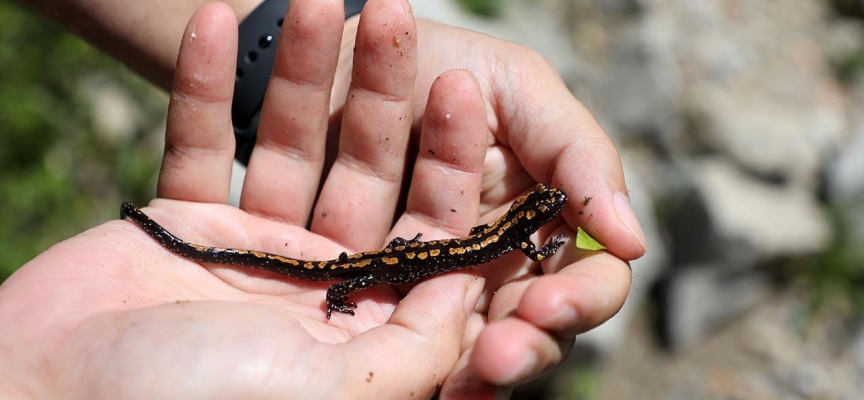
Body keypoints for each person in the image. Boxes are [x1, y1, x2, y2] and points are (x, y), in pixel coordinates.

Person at [0, 0, 646, 398]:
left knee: (342, 270)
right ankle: (298, 279)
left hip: (400, 259)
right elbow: (532, 251)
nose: (547, 205)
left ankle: (188, 242)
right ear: (529, 214)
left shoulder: (511, 233)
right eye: (544, 207)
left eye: (545, 206)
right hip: (385, 265)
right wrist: (341, 296)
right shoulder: (513, 237)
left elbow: (529, 248)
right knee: (333, 276)